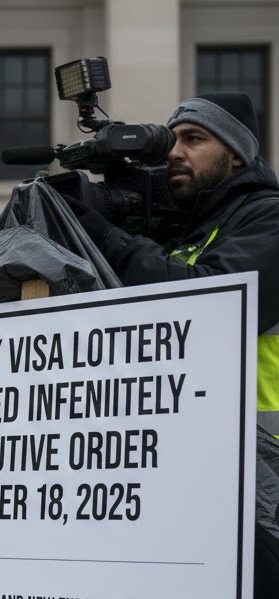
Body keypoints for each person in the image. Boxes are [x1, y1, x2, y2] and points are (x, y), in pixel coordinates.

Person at [65, 91, 279, 431]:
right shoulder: (188, 229)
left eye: (193, 139)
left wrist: (107, 240)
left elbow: (214, 305)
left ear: (237, 154)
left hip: (258, 453)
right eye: (171, 140)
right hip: (191, 444)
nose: (174, 153)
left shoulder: (270, 218)